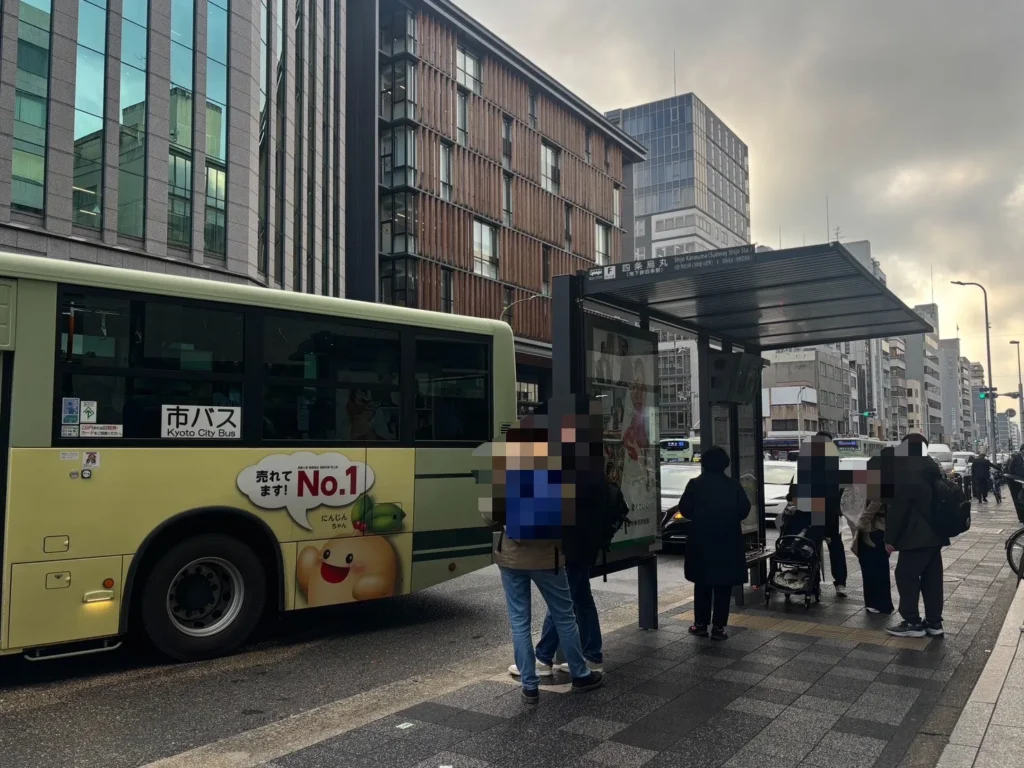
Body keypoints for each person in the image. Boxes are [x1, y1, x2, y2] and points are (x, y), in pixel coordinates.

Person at [488, 419, 604, 704]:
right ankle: (580, 673)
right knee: (565, 615)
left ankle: (529, 685)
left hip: (511, 558)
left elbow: (488, 515)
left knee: (519, 621)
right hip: (546, 558)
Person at [508, 417, 618, 679]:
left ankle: (544, 657)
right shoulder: (594, 471)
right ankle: (592, 654)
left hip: (572, 547)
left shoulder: (575, 475)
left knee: (562, 604)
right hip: (586, 545)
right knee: (581, 600)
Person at [678, 446, 751, 640]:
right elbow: (744, 510)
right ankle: (719, 628)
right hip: (728, 541)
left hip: (701, 540)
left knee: (702, 583)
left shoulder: (694, 484)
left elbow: (684, 509)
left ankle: (700, 624)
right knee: (723, 585)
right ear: (725, 464)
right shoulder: (734, 485)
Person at [885, 433, 948, 638]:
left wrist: (890, 538)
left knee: (905, 575)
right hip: (935, 532)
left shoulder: (907, 469)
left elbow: (898, 507)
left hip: (915, 534)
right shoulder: (932, 466)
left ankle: (912, 622)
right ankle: (934, 622)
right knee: (932, 578)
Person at [847, 448, 895, 615]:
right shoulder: (893, 475)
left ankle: (877, 603)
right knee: (879, 567)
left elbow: (875, 502)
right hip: (883, 529)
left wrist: (861, 522)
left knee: (872, 567)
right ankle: (881, 603)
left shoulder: (882, 476)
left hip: (874, 529)